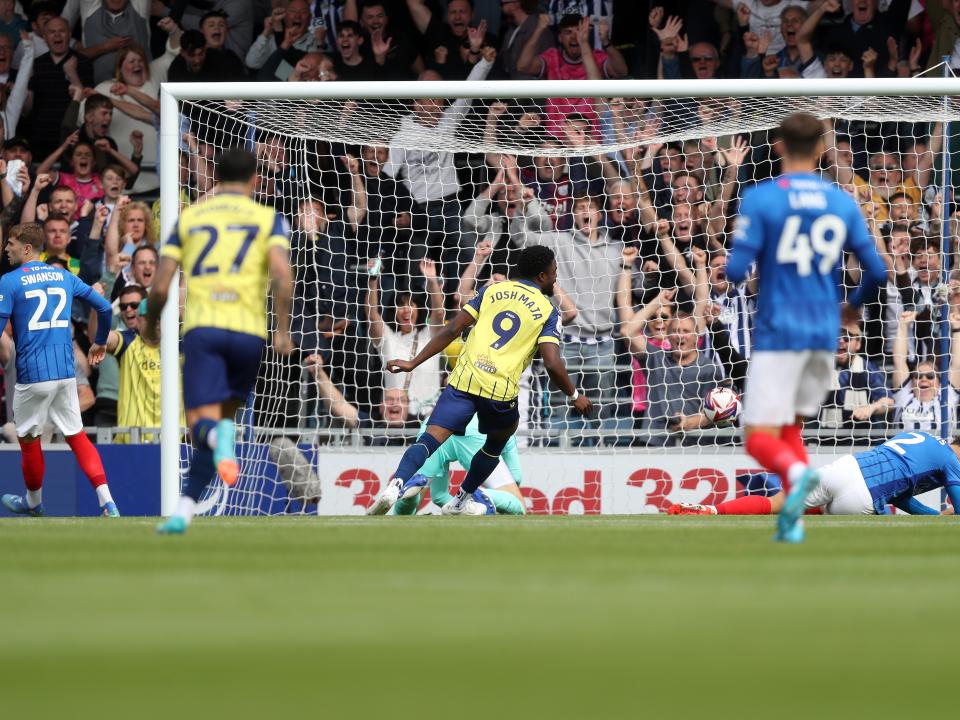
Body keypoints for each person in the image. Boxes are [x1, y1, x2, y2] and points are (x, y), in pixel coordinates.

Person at [726, 111, 887, 543]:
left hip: (779, 331)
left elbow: (736, 270)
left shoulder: (761, 198)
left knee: (757, 437)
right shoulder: (841, 201)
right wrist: (852, 308)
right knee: (790, 427)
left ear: (778, 146)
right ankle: (793, 521)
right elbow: (877, 271)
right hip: (823, 334)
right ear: (820, 149)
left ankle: (797, 475)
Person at [367, 245, 593, 516]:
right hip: (499, 393)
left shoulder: (491, 291)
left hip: (464, 383)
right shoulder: (548, 311)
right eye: (554, 272)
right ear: (542, 276)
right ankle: (462, 498)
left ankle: (396, 485)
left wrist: (413, 362)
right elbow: (553, 363)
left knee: (428, 440)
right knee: (498, 442)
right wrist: (574, 395)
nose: (556, 277)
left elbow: (454, 327)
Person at [146, 148, 294, 535]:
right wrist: (281, 330)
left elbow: (160, 286)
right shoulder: (268, 218)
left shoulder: (190, 217)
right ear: (255, 180)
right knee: (224, 420)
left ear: (215, 177)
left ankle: (216, 437)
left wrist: (149, 324)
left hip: (204, 330)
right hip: (249, 334)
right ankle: (184, 510)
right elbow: (283, 274)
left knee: (201, 425)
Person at [0, 223, 118, 517]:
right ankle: (108, 502)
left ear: (27, 248)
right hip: (65, 372)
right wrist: (99, 342)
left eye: (10, 244)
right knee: (76, 435)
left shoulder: (10, 281)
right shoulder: (64, 276)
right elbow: (104, 308)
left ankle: (33, 502)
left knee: (29, 442)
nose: (6, 249)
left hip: (32, 375)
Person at [669, 431, 960, 516]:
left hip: (846, 467)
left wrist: (934, 518)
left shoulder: (921, 436)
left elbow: (901, 496)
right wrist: (943, 518)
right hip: (862, 497)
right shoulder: (950, 460)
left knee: (776, 502)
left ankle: (711, 510)